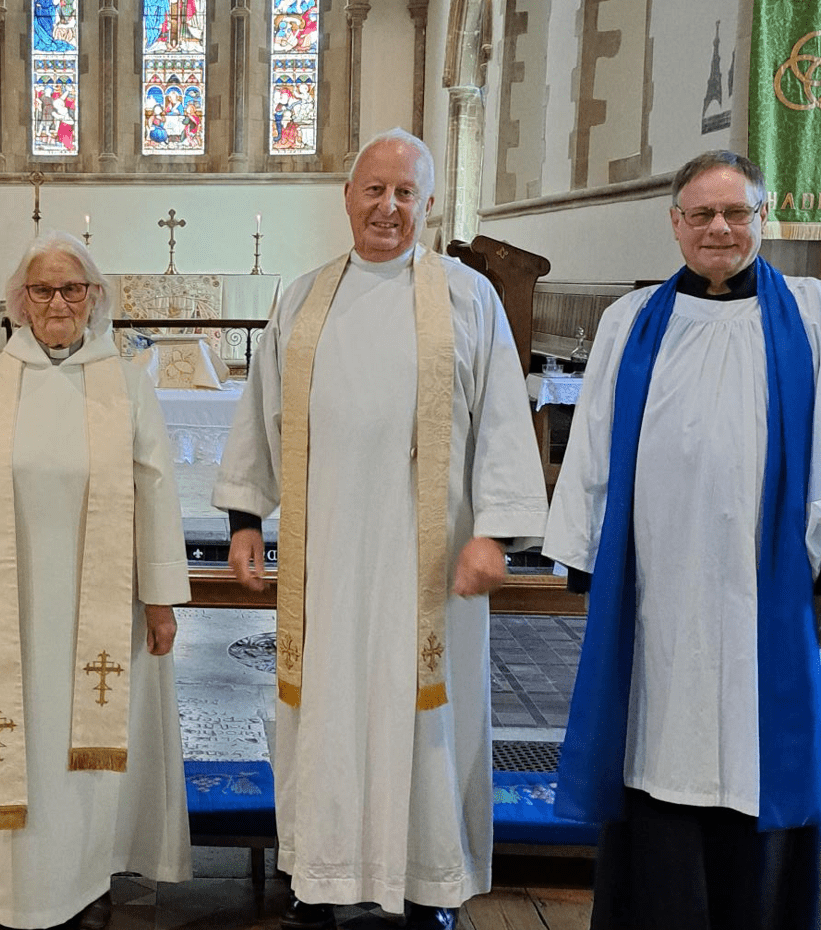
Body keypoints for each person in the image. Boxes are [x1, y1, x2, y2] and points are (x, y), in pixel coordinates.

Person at [213, 128, 547, 930]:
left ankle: (429, 883)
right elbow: (263, 411)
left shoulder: (467, 297)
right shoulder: (302, 298)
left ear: (428, 206)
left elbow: (504, 417)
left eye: (406, 193)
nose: (388, 207)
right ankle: (320, 879)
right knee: (324, 711)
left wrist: (495, 532)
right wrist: (245, 517)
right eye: (375, 189)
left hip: (430, 560)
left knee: (423, 714)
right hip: (324, 552)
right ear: (349, 197)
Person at [544, 149, 821, 930]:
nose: (720, 229)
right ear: (675, 224)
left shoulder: (809, 316)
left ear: (762, 219)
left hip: (765, 593)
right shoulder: (632, 322)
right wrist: (585, 556)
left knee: (757, 754)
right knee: (656, 752)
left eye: (737, 213)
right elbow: (592, 441)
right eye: (701, 214)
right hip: (657, 597)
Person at [0, 231, 192, 929]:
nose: (59, 301)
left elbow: (155, 489)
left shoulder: (124, 381)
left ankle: (86, 875)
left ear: (94, 298)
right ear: (20, 302)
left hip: (102, 608)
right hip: (12, 607)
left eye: (73, 288)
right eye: (43, 289)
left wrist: (159, 598)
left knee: (86, 749)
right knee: (12, 737)